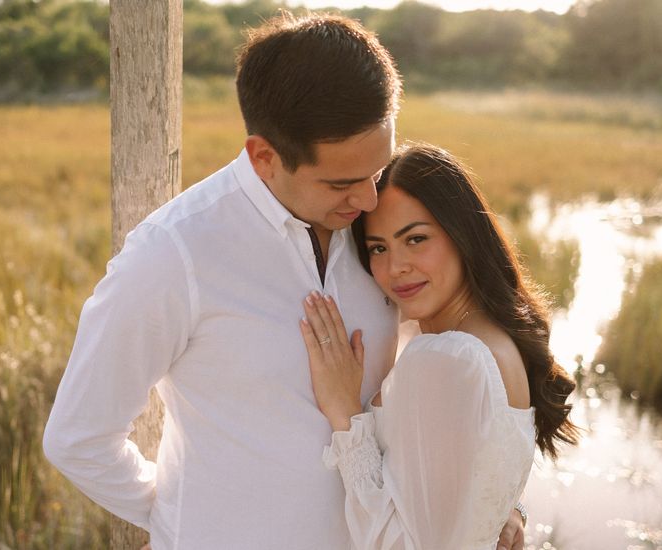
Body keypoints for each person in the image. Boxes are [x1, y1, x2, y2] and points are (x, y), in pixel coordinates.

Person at [43, 12, 525, 549]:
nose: (368, 199)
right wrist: (187, 520)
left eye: (376, 170)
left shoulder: (376, 225)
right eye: (342, 182)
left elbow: (442, 390)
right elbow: (78, 439)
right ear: (264, 157)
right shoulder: (172, 255)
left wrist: (484, 500)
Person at [299, 144, 579, 549]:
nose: (396, 268)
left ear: (462, 234)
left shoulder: (449, 357)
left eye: (415, 239)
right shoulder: (493, 338)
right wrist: (509, 512)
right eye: (378, 248)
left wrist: (345, 414)